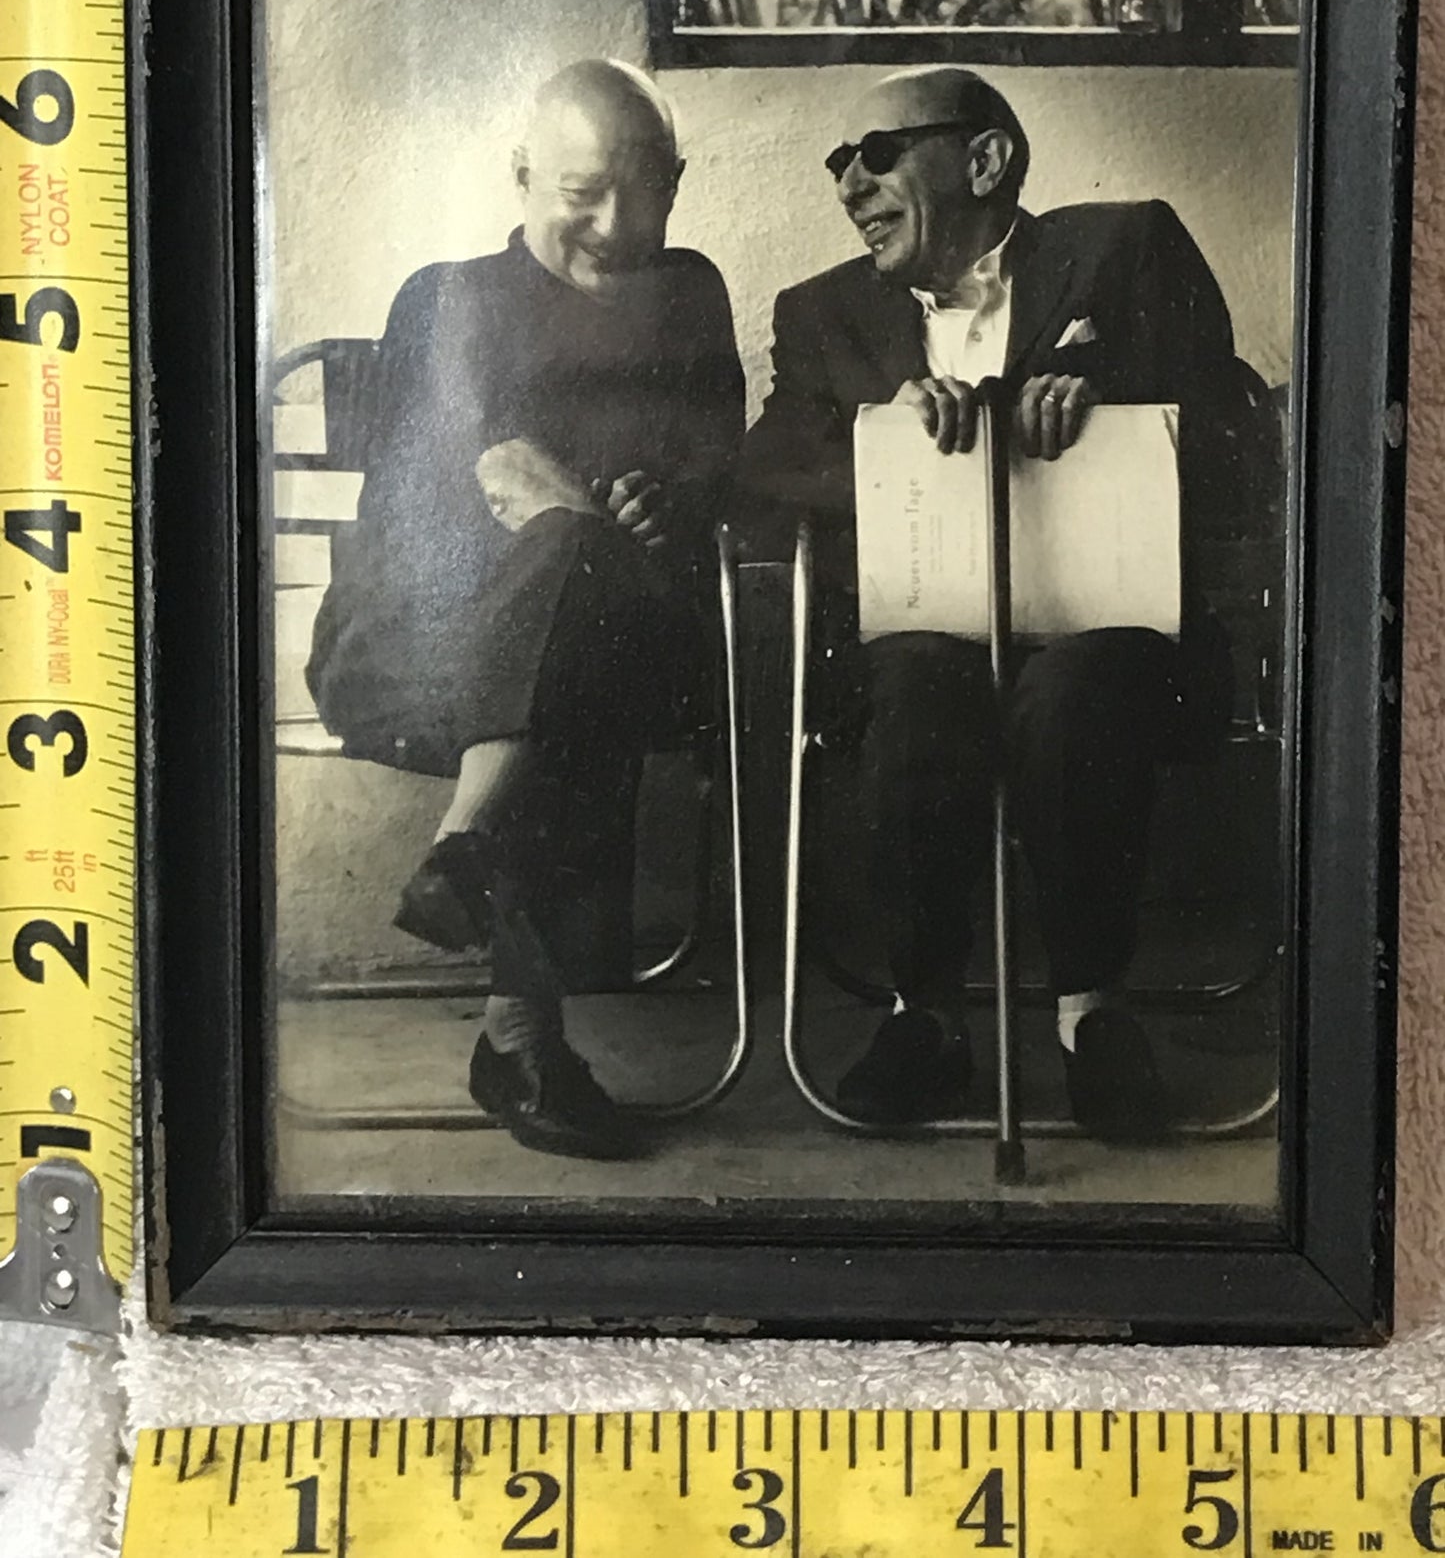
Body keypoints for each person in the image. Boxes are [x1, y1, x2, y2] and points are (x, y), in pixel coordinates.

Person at [739, 65, 1261, 1142]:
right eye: (837, 162)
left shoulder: (1124, 250)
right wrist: (876, 434)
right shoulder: (825, 314)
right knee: (918, 679)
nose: (849, 181)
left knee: (1071, 691)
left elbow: (1238, 437)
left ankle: (1090, 1019)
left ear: (984, 159)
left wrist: (1117, 410)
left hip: (1109, 641)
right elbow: (759, 476)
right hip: (921, 643)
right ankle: (923, 1019)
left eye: (876, 151)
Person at [307, 59, 745, 1161]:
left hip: (616, 643)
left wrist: (671, 505)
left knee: (586, 600)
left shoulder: (691, 294)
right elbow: (450, 499)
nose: (614, 221)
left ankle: (466, 853)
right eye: (581, 190)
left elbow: (715, 468)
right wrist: (562, 528)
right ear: (520, 177)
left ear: (678, 185)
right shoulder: (446, 296)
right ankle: (519, 1034)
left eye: (644, 189)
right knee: (573, 589)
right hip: (419, 643)